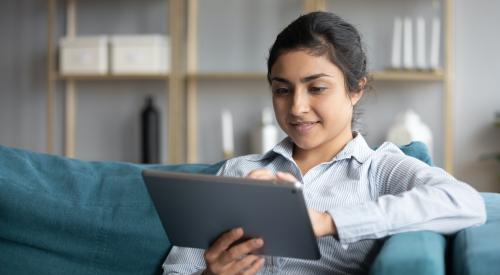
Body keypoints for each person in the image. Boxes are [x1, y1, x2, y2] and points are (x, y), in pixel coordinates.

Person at [163, 11, 486, 275]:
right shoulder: (239, 171)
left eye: (316, 88)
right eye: (282, 89)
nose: (297, 107)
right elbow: (177, 271)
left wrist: (326, 221)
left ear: (356, 89)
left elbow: (465, 203)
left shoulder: (380, 170)